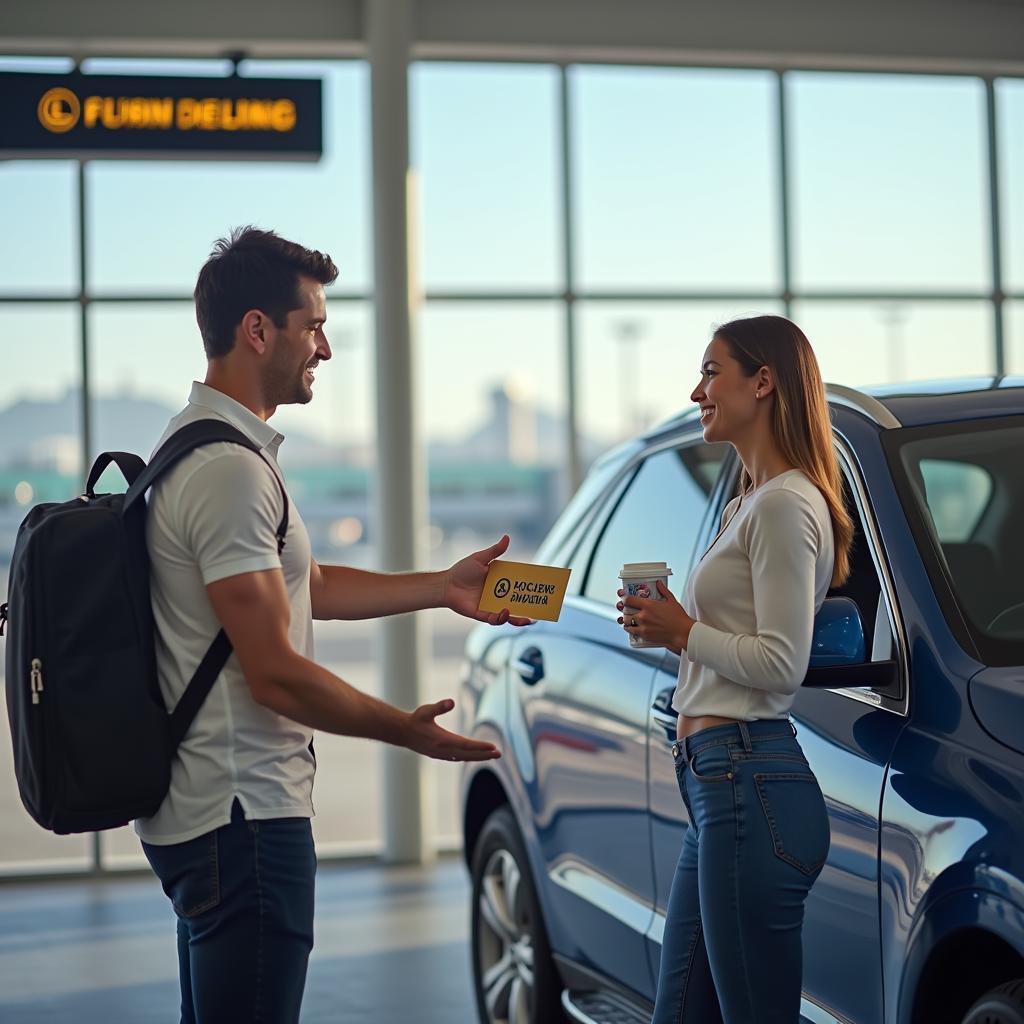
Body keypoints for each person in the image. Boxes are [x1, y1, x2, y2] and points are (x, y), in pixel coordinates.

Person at [137, 226, 531, 1024]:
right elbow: (274, 670)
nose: (324, 346)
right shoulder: (226, 471)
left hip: (218, 810)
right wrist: (404, 730)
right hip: (242, 814)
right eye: (312, 324)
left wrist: (442, 587)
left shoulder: (211, 448)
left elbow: (304, 585)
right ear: (258, 329)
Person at [618, 315, 853, 1024]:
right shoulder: (749, 501)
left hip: (750, 785)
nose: (697, 391)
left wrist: (685, 631)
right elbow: (733, 645)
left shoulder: (785, 505)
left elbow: (781, 665)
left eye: (711, 371)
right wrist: (669, 630)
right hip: (718, 787)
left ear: (764, 380)